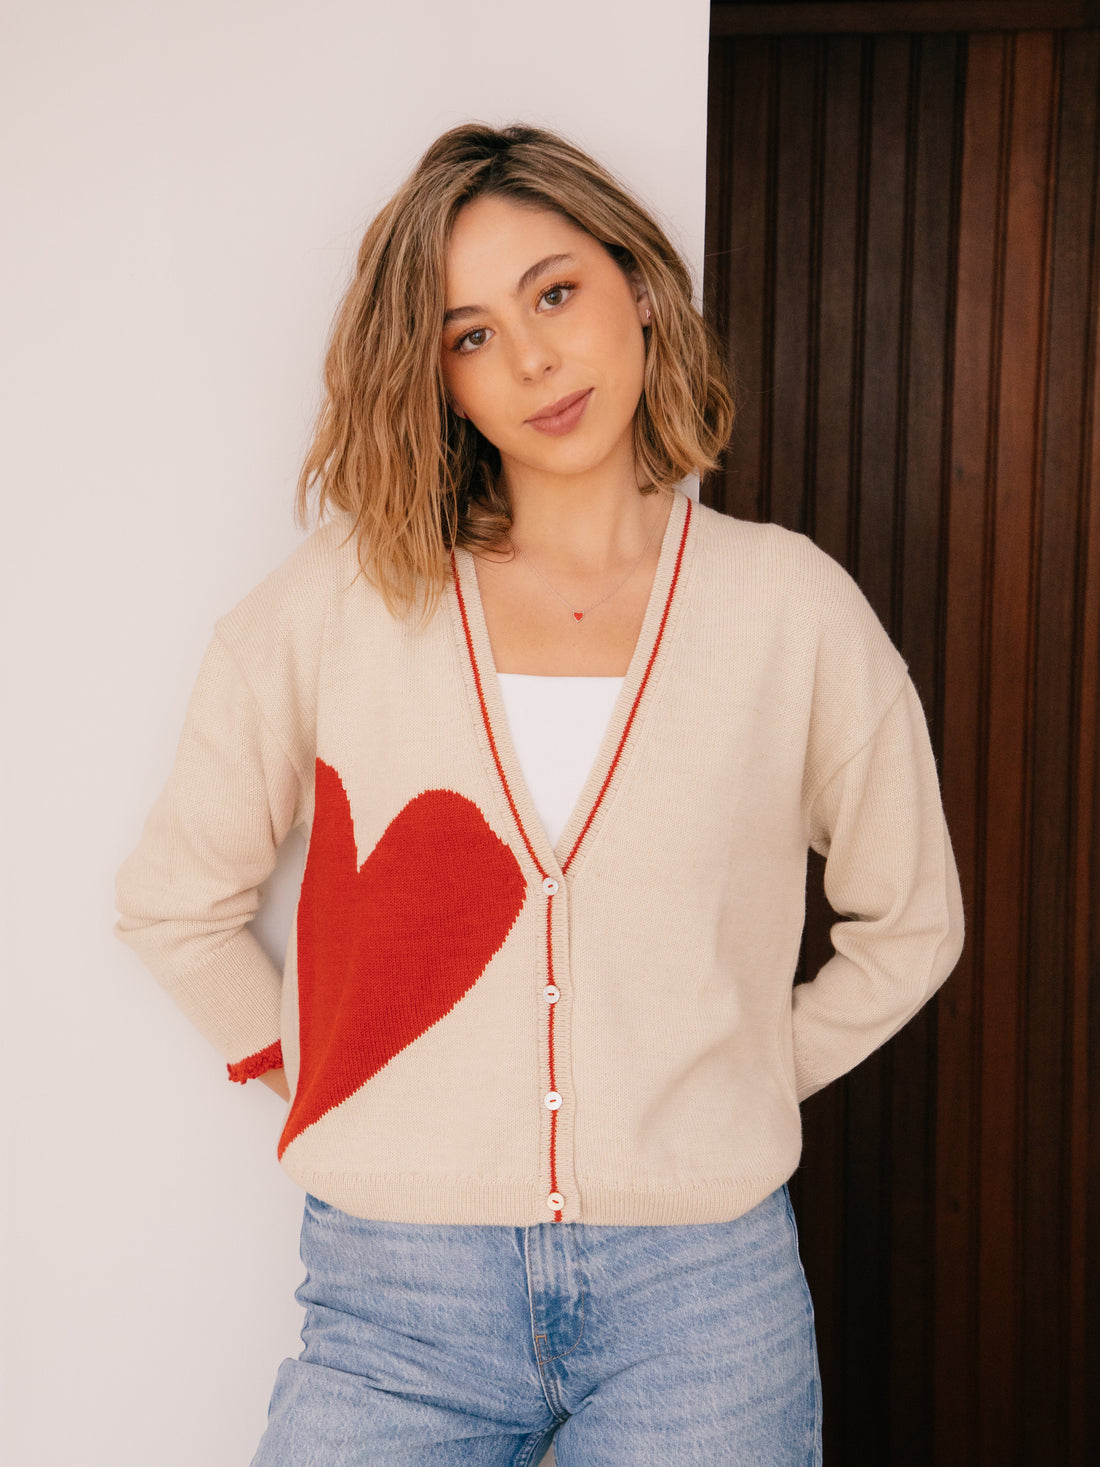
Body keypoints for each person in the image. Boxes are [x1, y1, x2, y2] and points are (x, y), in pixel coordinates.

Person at [113, 120, 965, 1466]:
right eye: (469, 334)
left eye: (555, 292)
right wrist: (320, 1075)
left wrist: (734, 1084)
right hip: (395, 1309)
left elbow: (909, 923)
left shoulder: (790, 608)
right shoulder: (341, 606)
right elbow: (174, 902)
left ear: (636, 282)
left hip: (704, 1302)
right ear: (437, 378)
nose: (532, 359)